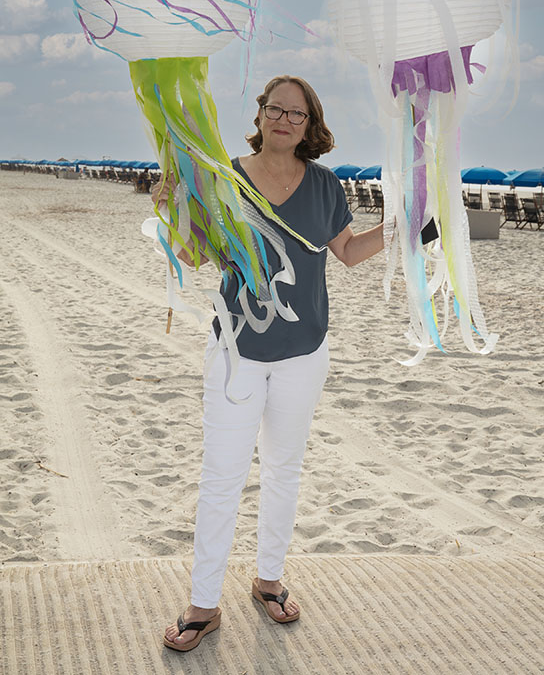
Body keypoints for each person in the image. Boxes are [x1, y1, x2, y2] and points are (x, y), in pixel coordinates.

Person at [161, 75, 384, 651]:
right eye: (275, 109)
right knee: (222, 479)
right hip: (236, 352)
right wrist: (174, 209)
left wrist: (416, 228)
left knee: (284, 470)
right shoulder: (223, 177)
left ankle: (269, 580)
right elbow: (195, 253)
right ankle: (202, 605)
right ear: (259, 115)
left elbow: (350, 253)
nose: (285, 120)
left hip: (304, 354)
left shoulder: (327, 185)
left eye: (298, 114)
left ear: (311, 126)